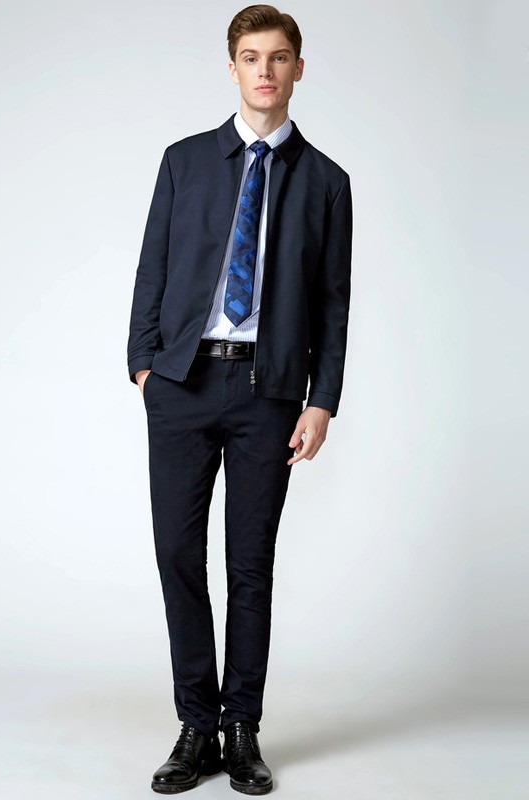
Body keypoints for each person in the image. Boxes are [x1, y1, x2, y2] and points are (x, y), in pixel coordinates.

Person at [127, 4, 353, 794]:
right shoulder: (185, 161)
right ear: (232, 69)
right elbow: (153, 266)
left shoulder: (326, 182)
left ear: (298, 70)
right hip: (183, 384)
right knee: (176, 555)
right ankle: (195, 726)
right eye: (251, 57)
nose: (265, 70)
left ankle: (241, 729)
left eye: (279, 57)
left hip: (270, 392)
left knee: (250, 565)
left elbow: (333, 302)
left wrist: (322, 399)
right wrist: (144, 367)